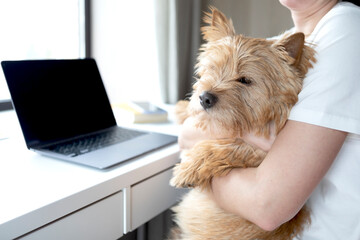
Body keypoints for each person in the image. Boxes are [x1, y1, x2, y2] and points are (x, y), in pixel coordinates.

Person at [178, 0, 360, 238]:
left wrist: (200, 167)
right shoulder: (282, 44)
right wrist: (253, 133)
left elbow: (265, 207)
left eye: (243, 81)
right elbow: (187, 133)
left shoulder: (346, 29)